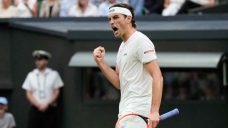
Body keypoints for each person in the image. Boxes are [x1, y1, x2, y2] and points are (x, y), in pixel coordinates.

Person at [93, 3, 163, 128]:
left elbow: (157, 75)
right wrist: (101, 63)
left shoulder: (141, 41)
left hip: (138, 112)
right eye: (109, 19)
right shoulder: (122, 46)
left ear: (128, 19)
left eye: (116, 17)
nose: (111, 22)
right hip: (126, 112)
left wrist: (154, 111)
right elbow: (119, 83)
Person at [22, 50, 64, 128]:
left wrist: (47, 104)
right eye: (36, 59)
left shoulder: (54, 74)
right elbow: (28, 93)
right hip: (35, 109)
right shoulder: (31, 75)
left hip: (50, 109)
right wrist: (38, 105)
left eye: (40, 59)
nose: (38, 62)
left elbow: (56, 91)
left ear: (46, 61)